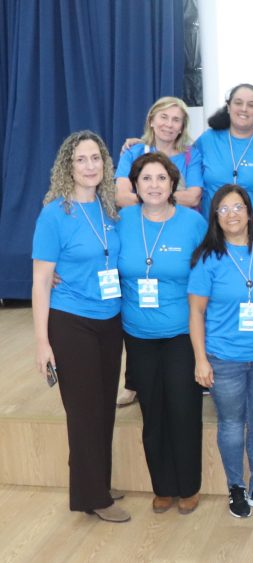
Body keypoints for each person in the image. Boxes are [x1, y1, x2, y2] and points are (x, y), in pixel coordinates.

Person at [31, 131, 129, 522]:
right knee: (84, 410)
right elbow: (41, 279)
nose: (90, 166)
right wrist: (42, 342)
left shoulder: (110, 208)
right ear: (67, 168)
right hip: (71, 322)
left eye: (96, 158)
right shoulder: (54, 214)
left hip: (110, 320)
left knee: (103, 406)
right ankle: (93, 498)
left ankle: (96, 481)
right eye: (81, 160)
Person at [188, 185, 253, 519]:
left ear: (249, 213)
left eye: (238, 207)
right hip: (223, 358)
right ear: (215, 217)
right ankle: (236, 487)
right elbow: (196, 312)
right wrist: (200, 359)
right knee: (231, 424)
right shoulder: (208, 258)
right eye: (224, 209)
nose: (232, 214)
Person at [116, 152, 207, 514]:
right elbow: (95, 257)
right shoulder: (121, 220)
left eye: (161, 178)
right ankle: (163, 486)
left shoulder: (193, 222)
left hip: (182, 333)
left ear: (173, 184)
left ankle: (189, 485)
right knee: (152, 412)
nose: (154, 185)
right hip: (138, 334)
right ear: (135, 185)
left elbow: (210, 271)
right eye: (146, 178)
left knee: (184, 409)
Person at [114, 96, 205, 407]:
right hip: (140, 232)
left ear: (182, 126)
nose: (169, 124)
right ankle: (134, 381)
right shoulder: (133, 151)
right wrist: (157, 199)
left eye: (176, 119)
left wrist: (151, 197)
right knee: (135, 300)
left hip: (177, 233)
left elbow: (194, 197)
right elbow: (119, 194)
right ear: (151, 120)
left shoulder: (191, 154)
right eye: (163, 117)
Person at [195, 83, 253, 231]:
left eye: (251, 105)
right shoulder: (207, 140)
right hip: (212, 231)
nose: (244, 109)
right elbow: (180, 161)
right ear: (228, 107)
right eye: (238, 103)